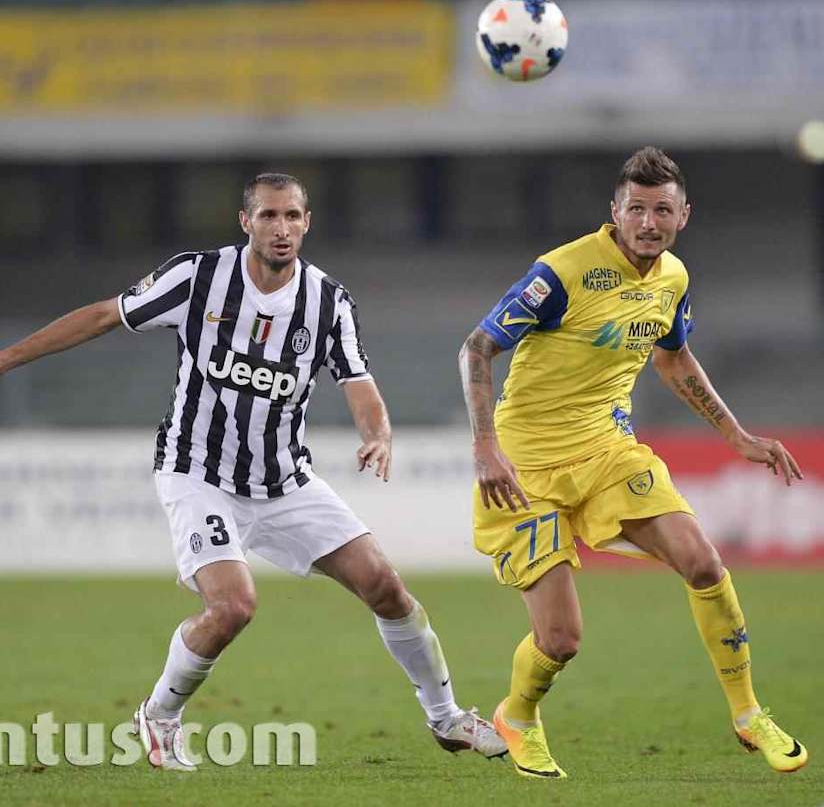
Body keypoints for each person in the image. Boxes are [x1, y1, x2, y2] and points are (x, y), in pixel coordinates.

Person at [0, 172, 505, 771]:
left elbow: (358, 382)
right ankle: (158, 716)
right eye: (268, 216)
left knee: (387, 589)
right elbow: (106, 315)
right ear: (246, 222)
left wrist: (378, 434)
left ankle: (446, 719)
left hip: (284, 480)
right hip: (197, 469)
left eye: (292, 216)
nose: (281, 228)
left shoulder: (327, 301)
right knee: (233, 607)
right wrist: (8, 358)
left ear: (306, 223)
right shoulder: (198, 277)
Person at [457, 147, 808, 780]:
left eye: (662, 210)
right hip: (526, 467)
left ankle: (749, 713)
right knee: (561, 640)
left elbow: (674, 358)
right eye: (637, 209)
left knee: (703, 562)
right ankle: (518, 715)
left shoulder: (672, 278)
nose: (649, 222)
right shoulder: (562, 272)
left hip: (609, 453)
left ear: (683, 215)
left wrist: (736, 435)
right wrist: (485, 449)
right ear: (615, 211)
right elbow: (478, 347)